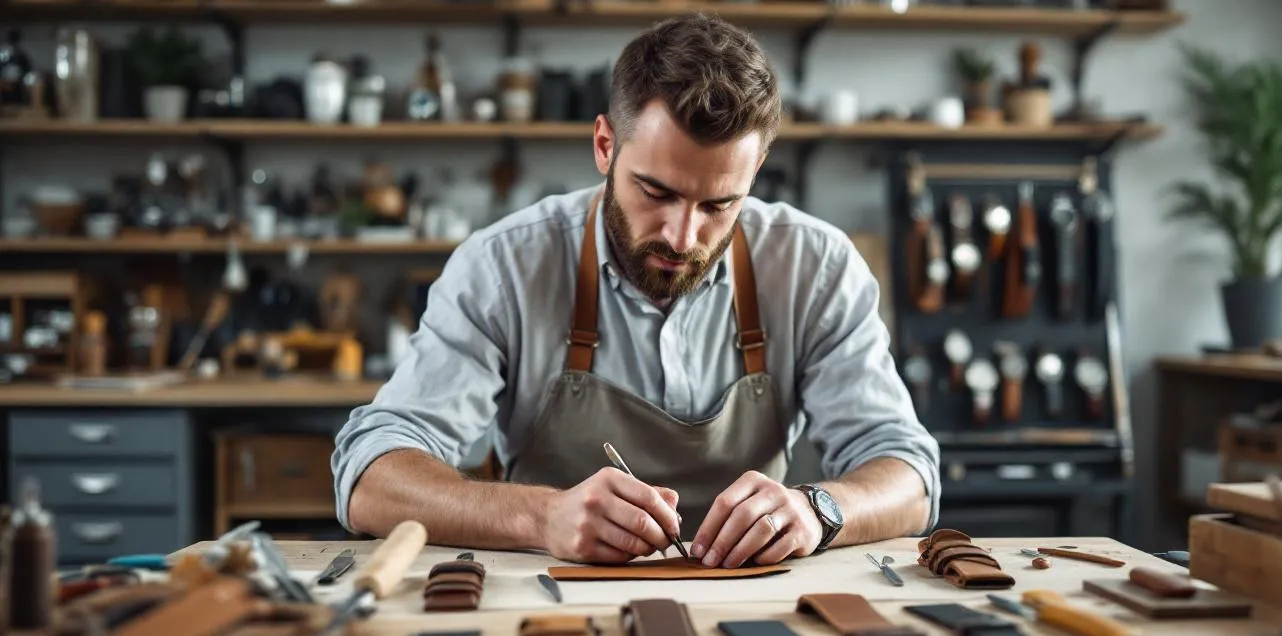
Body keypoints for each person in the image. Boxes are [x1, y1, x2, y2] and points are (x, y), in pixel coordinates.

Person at [331, 13, 940, 567]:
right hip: (554, 600)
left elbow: (909, 474)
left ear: (755, 173)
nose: (682, 237)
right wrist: (541, 516)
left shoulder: (818, 267)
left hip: (755, 602)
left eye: (719, 205)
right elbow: (369, 476)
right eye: (657, 193)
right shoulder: (503, 267)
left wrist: (819, 510)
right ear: (604, 146)